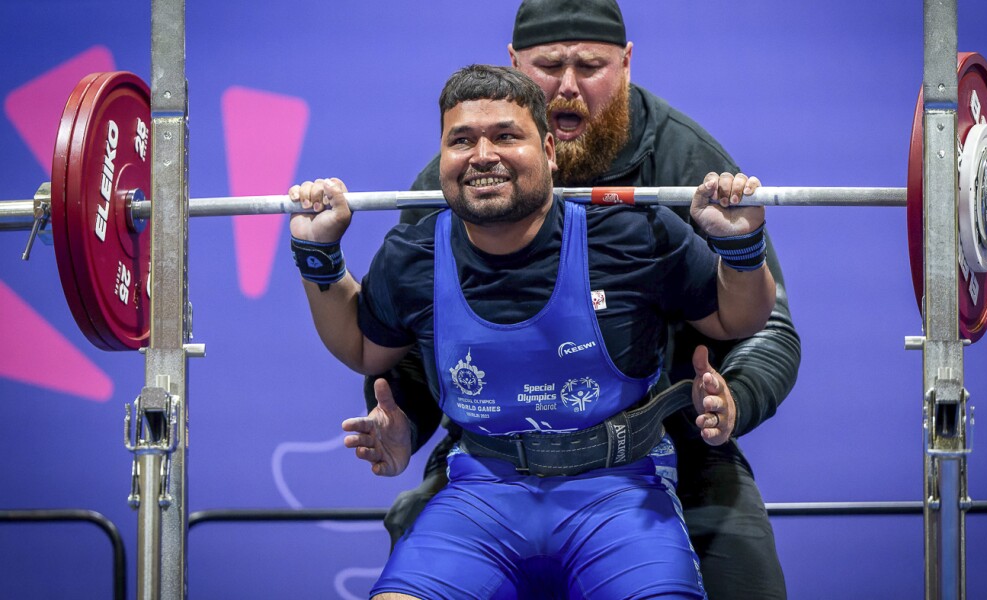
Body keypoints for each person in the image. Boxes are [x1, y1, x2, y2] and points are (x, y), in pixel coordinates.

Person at [290, 64, 774, 599]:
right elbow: (363, 348)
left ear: (547, 149)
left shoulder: (632, 236)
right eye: (462, 140)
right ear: (443, 156)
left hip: (619, 493)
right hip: (480, 495)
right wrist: (319, 257)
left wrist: (742, 249)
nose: (482, 155)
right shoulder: (415, 256)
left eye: (505, 136)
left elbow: (739, 318)